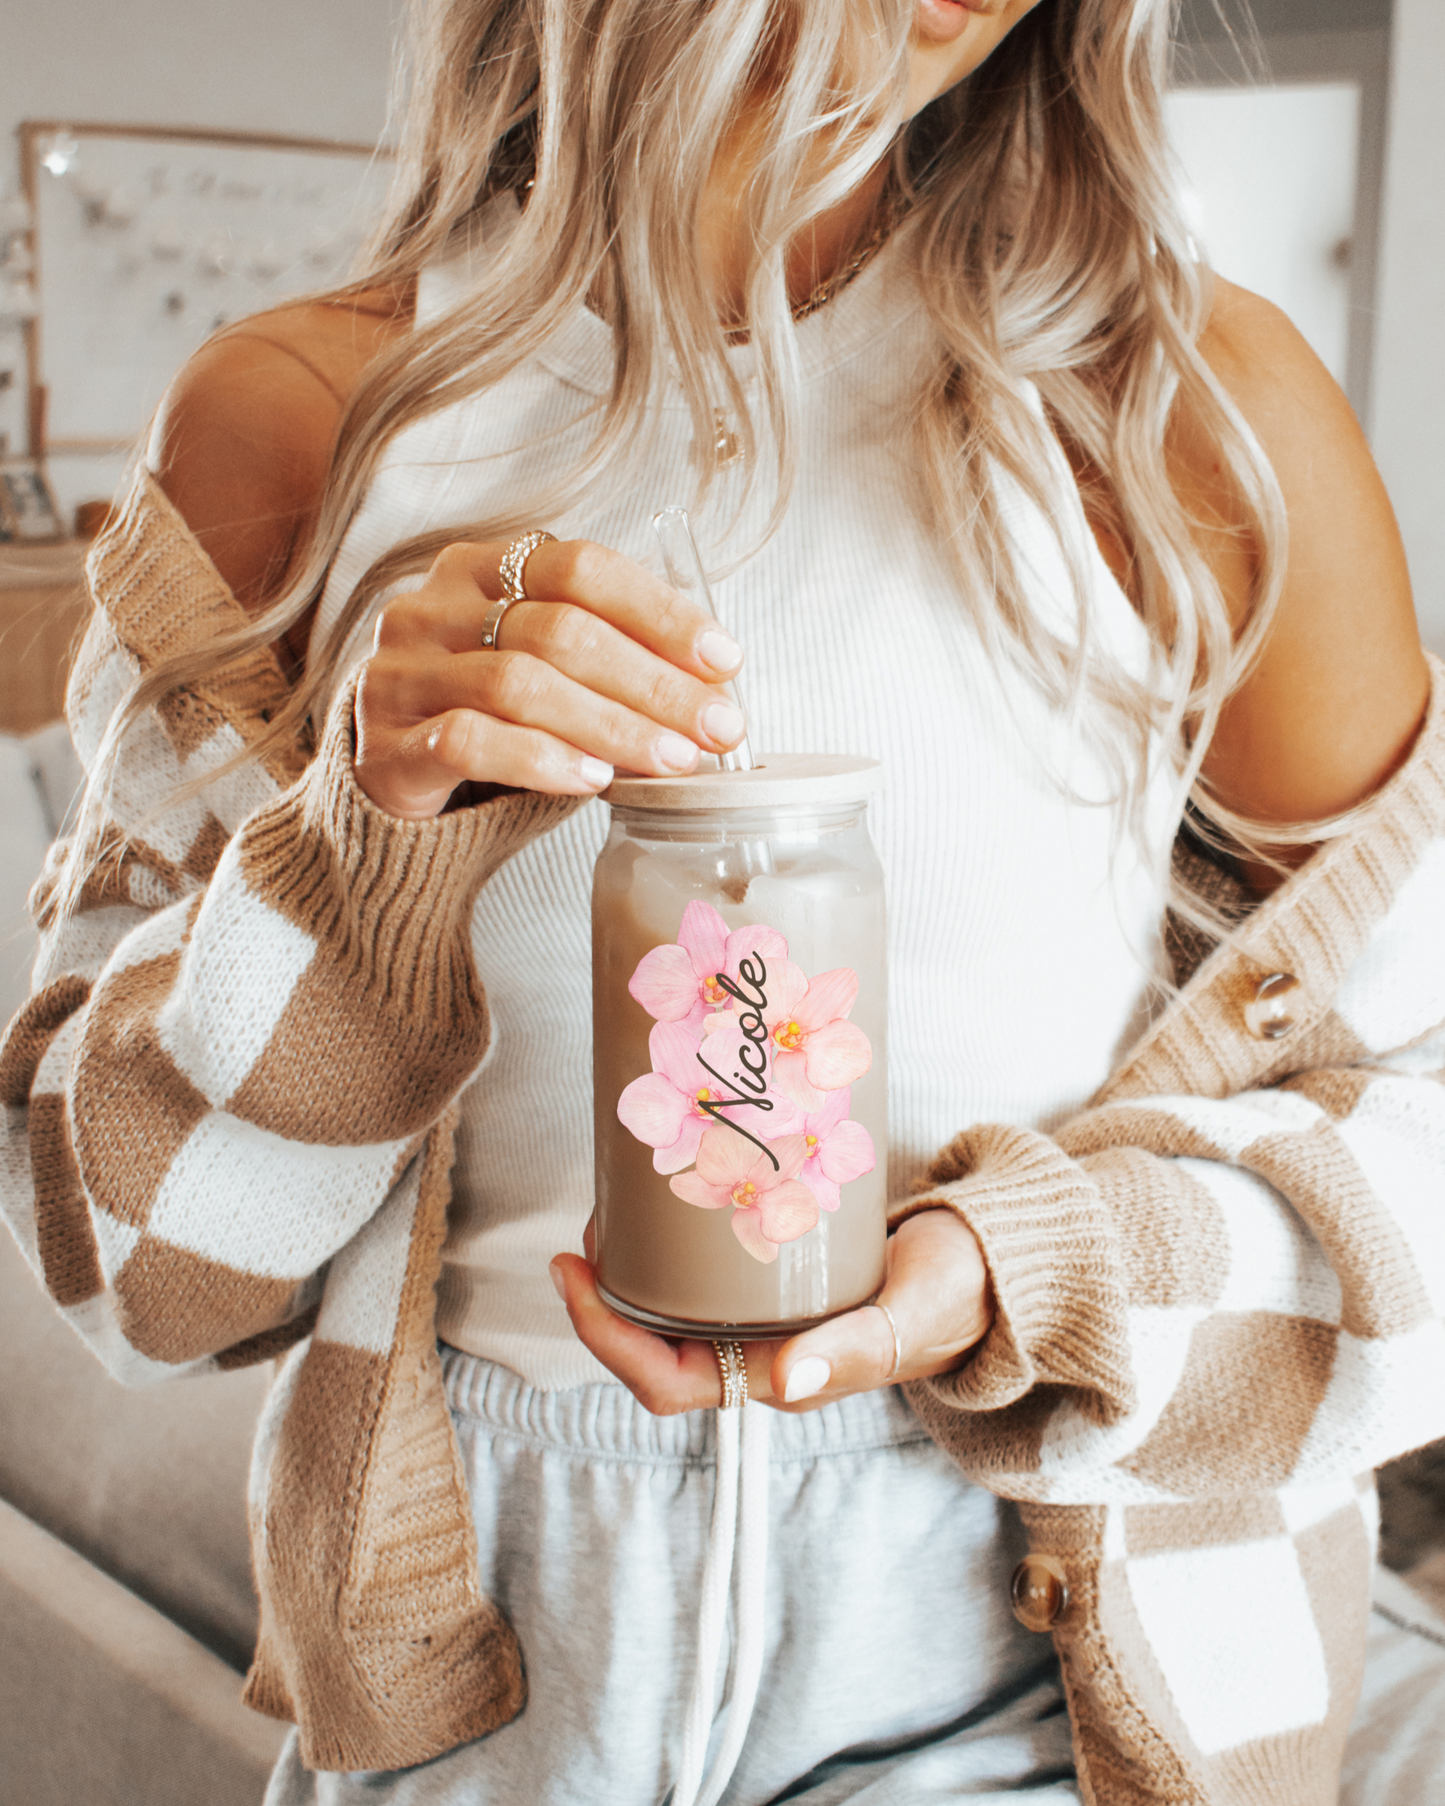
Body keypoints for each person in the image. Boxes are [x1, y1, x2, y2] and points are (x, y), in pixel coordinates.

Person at [3, 1, 1444, 1801]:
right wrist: (359, 839)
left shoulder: (1183, 418)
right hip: (491, 1698)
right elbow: (131, 1279)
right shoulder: (304, 426)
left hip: (1046, 1671)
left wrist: (1032, 1274)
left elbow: (1428, 1134)